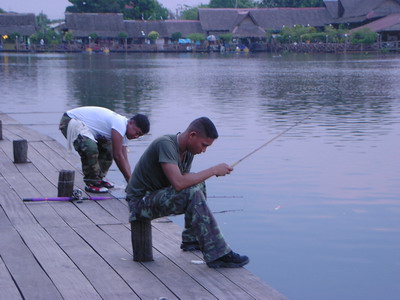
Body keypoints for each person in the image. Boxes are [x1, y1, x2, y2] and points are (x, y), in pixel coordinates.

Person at [126, 117, 249, 268]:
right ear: (192, 135)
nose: (203, 150)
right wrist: (213, 170)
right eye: (204, 145)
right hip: (139, 204)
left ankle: (192, 239)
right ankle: (218, 253)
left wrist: (209, 174)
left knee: (198, 184)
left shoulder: (188, 152)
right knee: (192, 191)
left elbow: (186, 179)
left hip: (154, 198)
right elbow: (178, 183)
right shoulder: (165, 144)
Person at [59, 106, 150, 193]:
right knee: (90, 148)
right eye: (137, 132)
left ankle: (98, 179)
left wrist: (130, 181)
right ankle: (92, 182)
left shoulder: (124, 134)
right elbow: (117, 156)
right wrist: (129, 181)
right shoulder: (119, 123)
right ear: (131, 123)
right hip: (70, 120)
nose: (136, 136)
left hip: (86, 128)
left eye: (139, 136)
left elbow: (124, 159)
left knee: (108, 149)